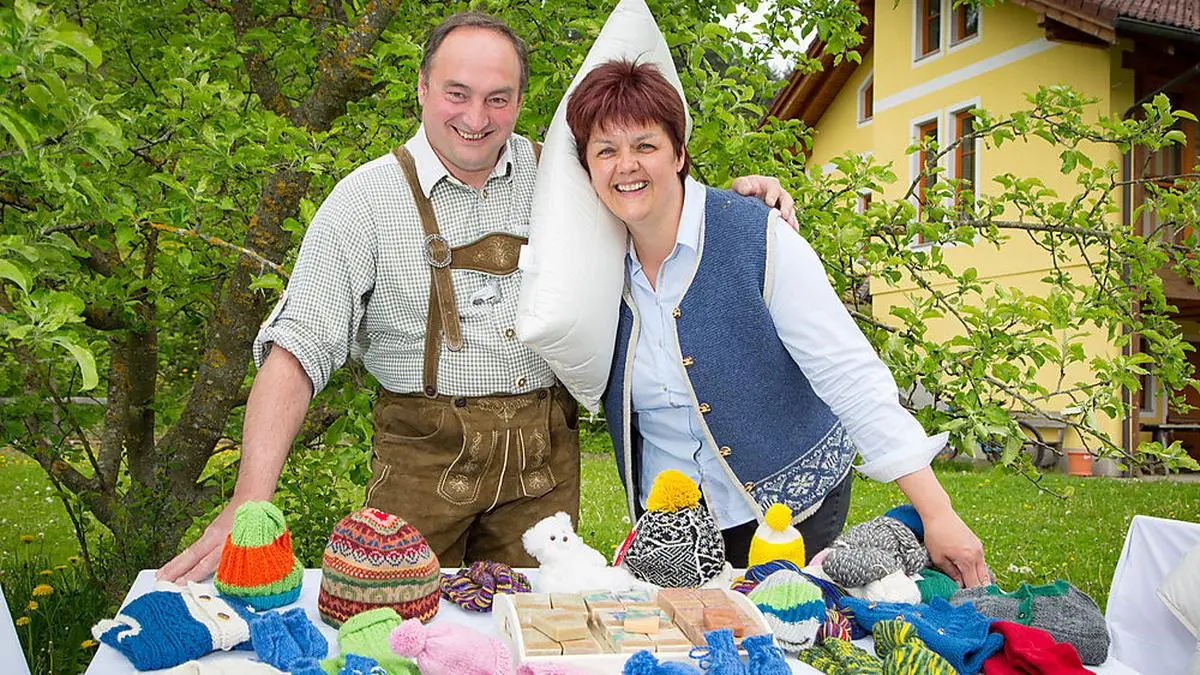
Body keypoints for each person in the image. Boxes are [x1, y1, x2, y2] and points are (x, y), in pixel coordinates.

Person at [158, 13, 796, 581]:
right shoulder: (364, 201)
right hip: (420, 464)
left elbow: (654, 200)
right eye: (456, 93)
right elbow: (298, 349)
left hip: (543, 469)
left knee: (535, 634)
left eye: (498, 98)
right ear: (422, 88)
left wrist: (738, 205)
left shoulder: (565, 180)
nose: (475, 117)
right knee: (392, 630)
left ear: (520, 101)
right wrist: (249, 497)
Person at [564, 60, 990, 586]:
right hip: (671, 525)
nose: (626, 165)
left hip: (789, 506)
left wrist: (937, 512)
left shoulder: (757, 236)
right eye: (606, 151)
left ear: (679, 153)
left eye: (645, 145)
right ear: (586, 168)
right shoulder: (591, 263)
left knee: (783, 628)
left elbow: (848, 373)